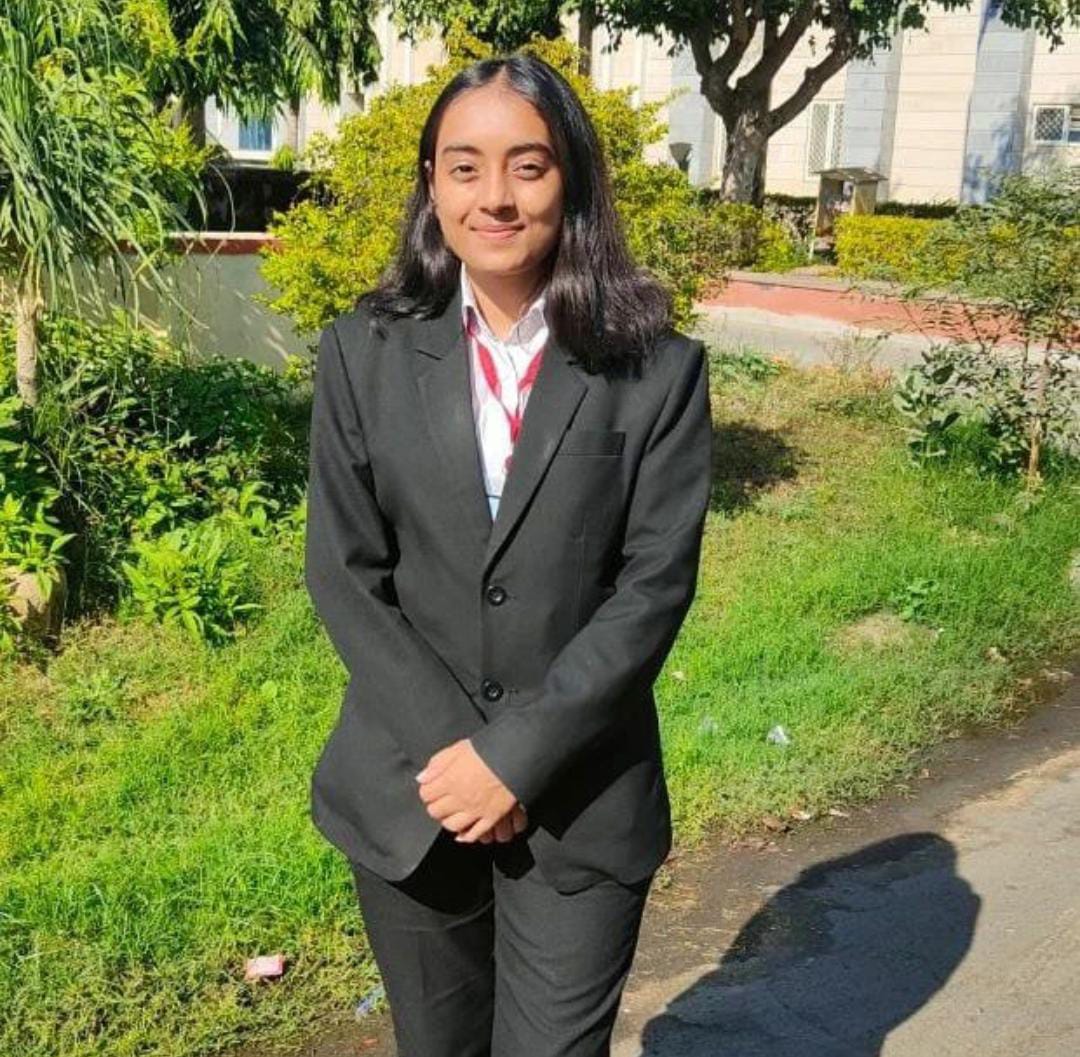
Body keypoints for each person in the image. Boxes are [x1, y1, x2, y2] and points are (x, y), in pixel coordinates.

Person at [304, 52, 712, 1057]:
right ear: (431, 184)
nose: (495, 196)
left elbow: (652, 587)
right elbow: (344, 570)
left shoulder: (653, 370)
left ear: (570, 179)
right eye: (465, 167)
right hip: (412, 787)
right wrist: (464, 757)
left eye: (527, 166)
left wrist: (514, 758)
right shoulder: (363, 352)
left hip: (581, 799)